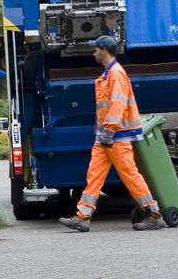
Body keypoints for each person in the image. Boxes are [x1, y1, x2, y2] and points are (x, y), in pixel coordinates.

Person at [59, 35, 164, 232]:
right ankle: (83, 217)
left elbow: (118, 103)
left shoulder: (116, 73)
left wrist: (109, 129)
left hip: (115, 135)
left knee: (129, 174)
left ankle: (153, 213)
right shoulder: (109, 74)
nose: (93, 52)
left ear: (104, 51)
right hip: (105, 136)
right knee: (94, 174)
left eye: (96, 49)